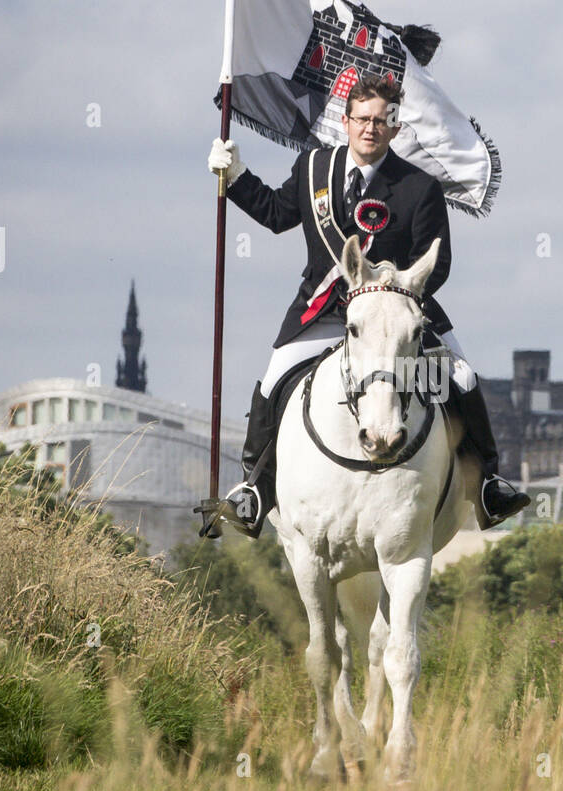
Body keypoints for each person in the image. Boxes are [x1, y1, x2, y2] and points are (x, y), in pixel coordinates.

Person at [207, 74, 530, 537]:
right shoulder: (313, 168)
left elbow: (438, 264)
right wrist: (235, 177)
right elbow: (277, 215)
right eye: (362, 119)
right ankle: (254, 492)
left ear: (395, 128)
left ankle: (487, 486)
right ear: (346, 121)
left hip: (396, 317)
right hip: (324, 309)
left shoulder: (420, 187)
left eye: (381, 121)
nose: (370, 129)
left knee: (461, 376)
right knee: (276, 377)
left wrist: (395, 291)